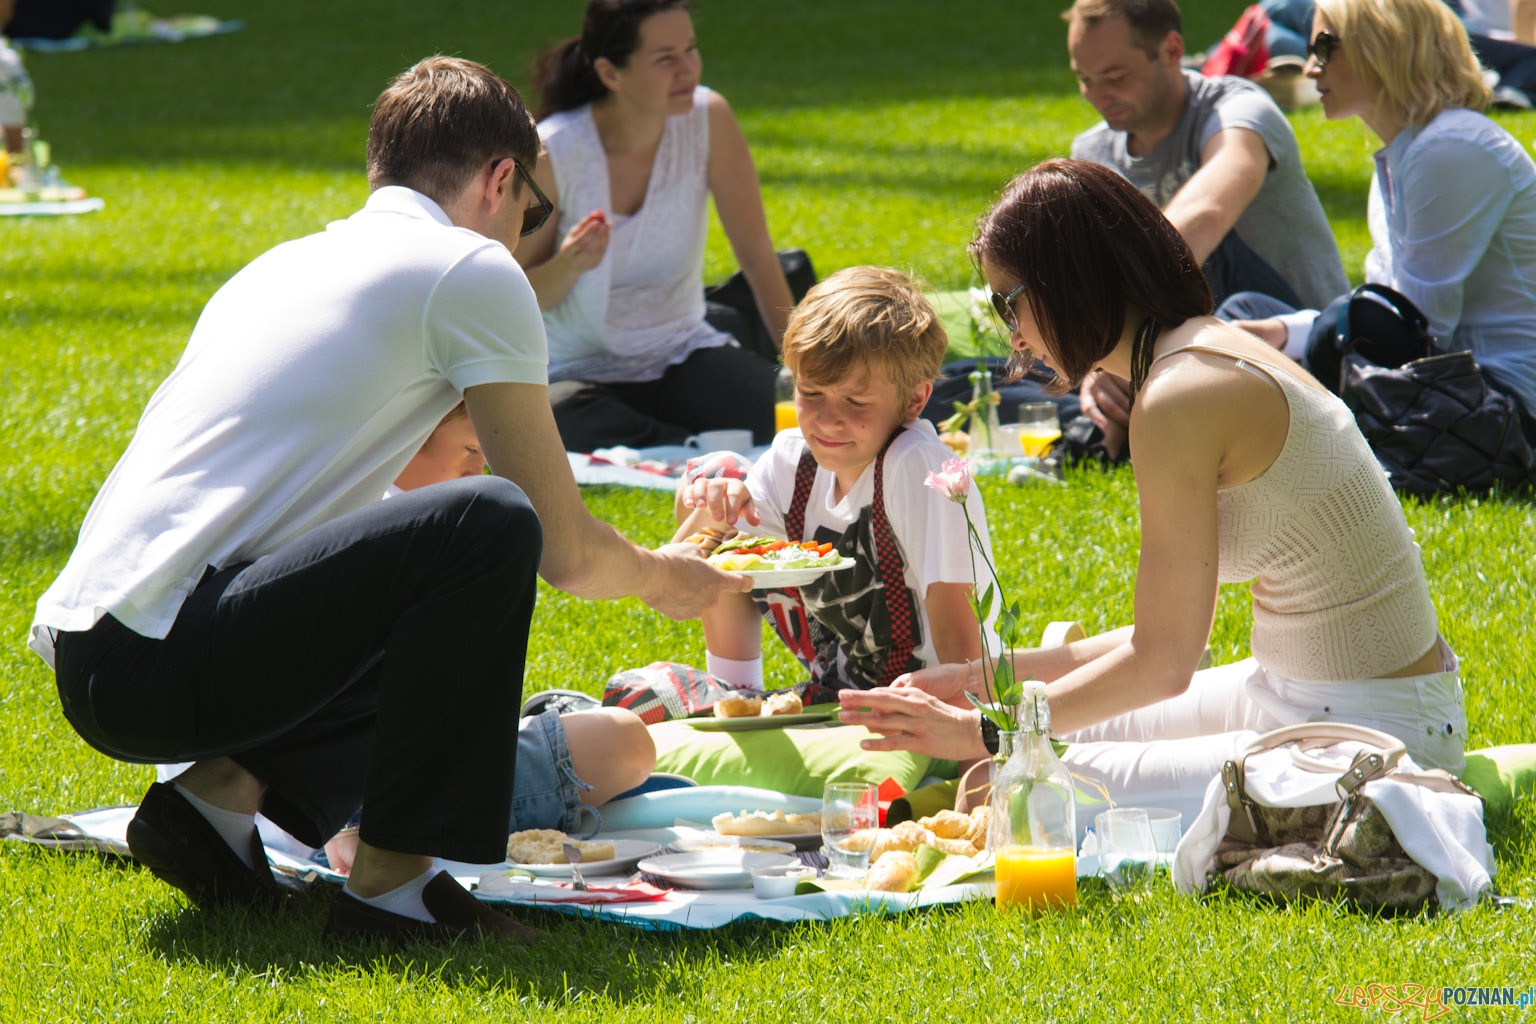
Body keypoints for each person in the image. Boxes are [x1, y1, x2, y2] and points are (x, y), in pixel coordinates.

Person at [30, 55, 746, 944]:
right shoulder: (472, 270)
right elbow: (560, 548)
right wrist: (665, 577)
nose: (525, 235)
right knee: (490, 520)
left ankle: (211, 808)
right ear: (499, 181)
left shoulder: (283, 264)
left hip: (99, 653)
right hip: (164, 660)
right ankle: (395, 891)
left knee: (437, 554)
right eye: (534, 212)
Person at [838, 159, 1467, 837]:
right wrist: (981, 678)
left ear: (1066, 282)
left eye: (1007, 302)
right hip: (1312, 696)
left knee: (1001, 784)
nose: (1011, 334)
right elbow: (1163, 642)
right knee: (1022, 754)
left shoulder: (1180, 395)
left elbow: (1163, 664)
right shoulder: (1195, 353)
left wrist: (981, 733)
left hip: (1371, 735)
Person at [674, 267, 995, 698]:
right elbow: (675, 587)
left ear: (915, 399)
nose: (828, 420)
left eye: (855, 401)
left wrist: (958, 728)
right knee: (717, 475)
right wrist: (714, 511)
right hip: (840, 687)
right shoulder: (792, 460)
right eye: (811, 393)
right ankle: (736, 695)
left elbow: (964, 655)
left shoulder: (917, 467)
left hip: (928, 699)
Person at [1226, 0, 1536, 433]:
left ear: (1384, 44)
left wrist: (1311, 336)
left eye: (1324, 47)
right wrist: (1283, 332)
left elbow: (1421, 330)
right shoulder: (1402, 155)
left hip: (1501, 405)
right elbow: (1391, 308)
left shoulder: (1451, 147)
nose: (1311, 68)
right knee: (1246, 313)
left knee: (1330, 326)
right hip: (1446, 388)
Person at [1064, 0, 1348, 458]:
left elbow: (1210, 210)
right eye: (1085, 79)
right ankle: (1109, 423)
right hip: (1180, 347)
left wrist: (1115, 337)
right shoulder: (1093, 152)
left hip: (1293, 337)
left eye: (1115, 77)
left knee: (1206, 252)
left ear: (1171, 51)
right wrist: (1096, 358)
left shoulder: (1238, 109)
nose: (1099, 95)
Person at [517, 0, 795, 453]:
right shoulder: (554, 150)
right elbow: (514, 297)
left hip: (680, 353)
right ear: (610, 73)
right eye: (665, 58)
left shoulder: (709, 119)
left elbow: (757, 256)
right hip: (574, 372)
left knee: (785, 412)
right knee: (559, 421)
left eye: (691, 49)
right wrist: (568, 264)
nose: (688, 69)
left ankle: (668, 442)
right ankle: (682, 443)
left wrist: (806, 372)